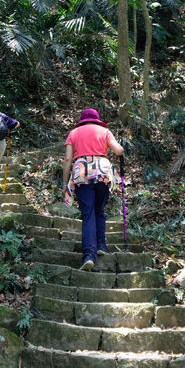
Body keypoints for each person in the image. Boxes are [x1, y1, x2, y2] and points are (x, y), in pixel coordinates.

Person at [62, 108, 124, 271]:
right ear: (96, 120)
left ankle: (89, 255)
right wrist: (117, 154)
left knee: (88, 212)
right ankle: (101, 245)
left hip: (82, 173)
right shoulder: (104, 131)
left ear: (82, 120)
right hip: (102, 172)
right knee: (99, 210)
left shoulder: (73, 133)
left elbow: (68, 158)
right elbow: (118, 150)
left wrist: (64, 183)